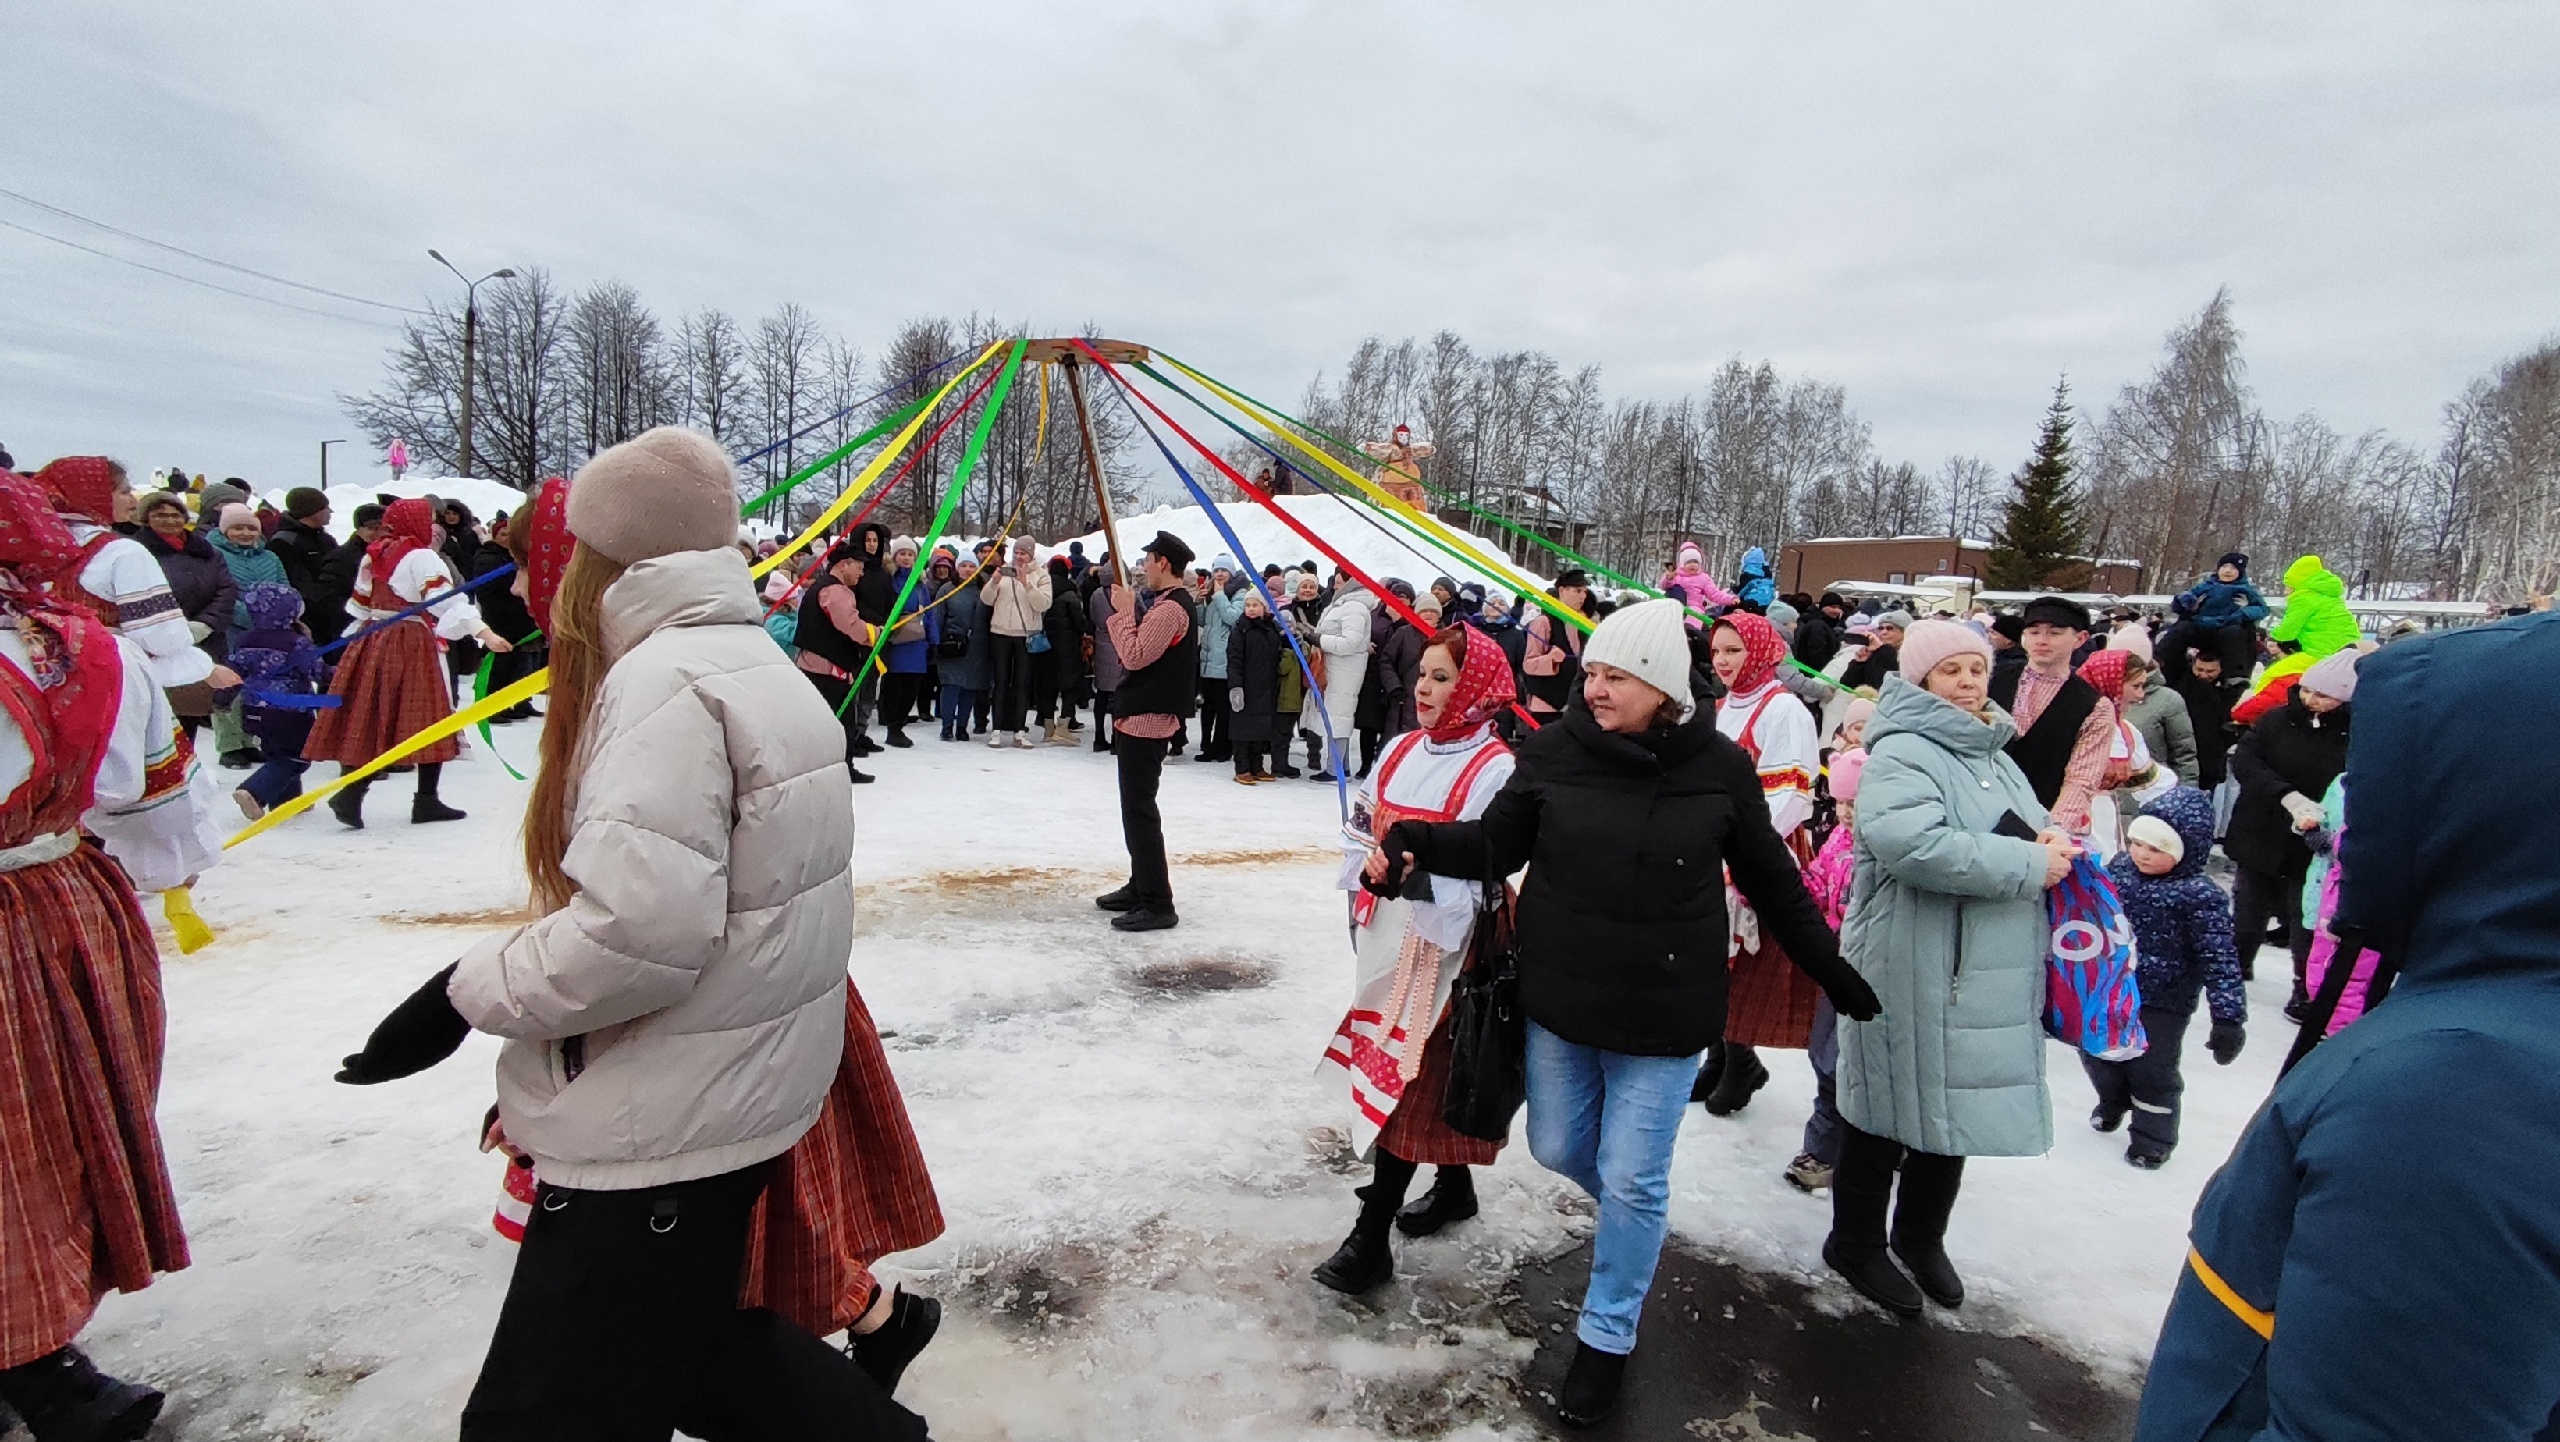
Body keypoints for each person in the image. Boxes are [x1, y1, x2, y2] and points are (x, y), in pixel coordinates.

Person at [328, 433, 935, 1441]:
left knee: (542, 1415)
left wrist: (461, 991)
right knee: (693, 1352)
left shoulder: (666, 683)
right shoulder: (745, 660)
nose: (526, 577)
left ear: (599, 563)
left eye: (546, 553)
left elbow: (638, 933)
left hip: (666, 1120)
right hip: (711, 1084)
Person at [1375, 597, 1879, 1428]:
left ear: (1660, 684)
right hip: (1561, 1000)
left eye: (1615, 675)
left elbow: (1774, 886)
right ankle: (1633, 1222)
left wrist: (1835, 973)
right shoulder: (1558, 751)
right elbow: (1495, 845)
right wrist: (1419, 841)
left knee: (1635, 1179)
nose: (1594, 686)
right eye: (1592, 671)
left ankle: (1607, 1335)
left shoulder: (1717, 767)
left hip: (1668, 1010)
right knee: (1561, 1145)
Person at [2133, 612, 2560, 1442]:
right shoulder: (2505, 1010)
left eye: (2379, 778)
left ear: (2496, 802)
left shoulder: (2463, 1084)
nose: (2348, 811)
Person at [0, 474, 216, 1441]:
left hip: (43, 902)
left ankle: (31, 1354)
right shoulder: (93, 652)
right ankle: (39, 1357)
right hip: (57, 906)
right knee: (39, 1131)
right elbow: (158, 812)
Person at [1826, 619, 2077, 1321]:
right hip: (1909, 955)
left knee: (1953, 1102)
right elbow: (1912, 844)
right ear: (1919, 680)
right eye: (1951, 672)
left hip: (1972, 962)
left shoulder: (1991, 751)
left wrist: (2049, 837)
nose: (1969, 683)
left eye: (1976, 669)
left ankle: (1919, 1235)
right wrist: (2029, 864)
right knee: (1887, 1101)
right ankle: (1854, 1241)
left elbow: (2010, 823)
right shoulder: (1905, 750)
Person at [1314, 624, 1519, 1293]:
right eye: (1423, 675)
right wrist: (1367, 870)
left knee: (1410, 1077)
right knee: (1426, 1077)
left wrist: (1404, 878)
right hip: (1387, 931)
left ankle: (1370, 1238)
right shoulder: (1401, 748)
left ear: (1478, 689)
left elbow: (1476, 877)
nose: (1424, 689)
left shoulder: (1494, 769)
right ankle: (1453, 1185)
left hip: (1447, 948)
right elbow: (1362, 823)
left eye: (1443, 678)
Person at [301, 499, 513, 826]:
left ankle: (353, 791)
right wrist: (483, 632)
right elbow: (445, 600)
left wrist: (358, 640)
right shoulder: (422, 556)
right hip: (410, 641)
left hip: (373, 636)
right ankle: (424, 800)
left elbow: (359, 605)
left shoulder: (376, 552)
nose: (431, 528)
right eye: (427, 521)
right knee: (428, 715)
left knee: (371, 713)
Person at [1694, 612, 1823, 1117]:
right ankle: (1721, 1054)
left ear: (1761, 651)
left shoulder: (1784, 709)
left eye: (1734, 651)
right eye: (1718, 651)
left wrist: (1742, 851)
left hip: (1760, 848)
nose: (1723, 662)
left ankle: (1741, 1058)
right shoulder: (1724, 706)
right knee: (1711, 959)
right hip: (1718, 846)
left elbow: (1791, 792)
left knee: (1744, 963)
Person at [2088, 788, 2246, 1171]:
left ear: (2184, 852)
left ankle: (2152, 1138)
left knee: (2151, 1068)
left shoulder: (2199, 896)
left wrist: (2228, 1017)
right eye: (2138, 843)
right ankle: (2113, 1098)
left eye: (2156, 850)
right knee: (2096, 1051)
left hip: (2164, 1000)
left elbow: (2220, 957)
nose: (2142, 854)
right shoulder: (2120, 871)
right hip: (2112, 986)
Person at [2226, 650, 2355, 1017]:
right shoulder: (2276, 719)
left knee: (2305, 916)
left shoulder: (2354, 731)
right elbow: (2246, 761)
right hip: (2262, 823)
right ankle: (2235, 967)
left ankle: (2305, 987)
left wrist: (2323, 812)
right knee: (2248, 903)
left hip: (2313, 836)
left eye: (2324, 695)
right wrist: (2285, 795)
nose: (2312, 700)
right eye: (2308, 690)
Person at [1094, 531, 1198, 933]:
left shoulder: (1170, 610)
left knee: (1140, 811)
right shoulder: (1165, 606)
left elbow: (1135, 656)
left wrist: (1122, 613)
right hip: (1142, 715)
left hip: (1147, 718)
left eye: (1148, 560)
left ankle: (1157, 901)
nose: (1144, 567)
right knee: (1135, 809)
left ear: (1164, 563)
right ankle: (1142, 885)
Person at [1784, 744, 1866, 1193]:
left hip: (1865, 969)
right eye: (1841, 803)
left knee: (1844, 1065)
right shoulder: (1838, 838)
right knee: (1825, 1058)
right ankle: (1825, 1149)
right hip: (1835, 966)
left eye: (1857, 803)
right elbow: (1818, 882)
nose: (1848, 813)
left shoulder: (1881, 852)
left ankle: (1829, 1153)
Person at [1987, 595, 2114, 835]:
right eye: (2034, 632)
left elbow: (2082, 778)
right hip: (1980, 810)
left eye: (2054, 633)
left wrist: (2055, 828)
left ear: (2080, 639)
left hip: (2040, 819)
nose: (2042, 641)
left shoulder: (2095, 706)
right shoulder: (1991, 681)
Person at [223, 582, 327, 820]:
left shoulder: (244, 639)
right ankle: (253, 791)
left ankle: (287, 801)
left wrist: (223, 698)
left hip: (253, 710)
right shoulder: (295, 642)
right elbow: (317, 671)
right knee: (295, 758)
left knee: (276, 753)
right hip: (290, 712)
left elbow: (233, 671)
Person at [206, 503, 288, 768]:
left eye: (251, 528)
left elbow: (284, 588)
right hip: (232, 630)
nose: (245, 533)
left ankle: (249, 741)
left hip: (267, 634)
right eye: (237, 528)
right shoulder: (215, 555)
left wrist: (282, 614)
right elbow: (221, 593)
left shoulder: (269, 558)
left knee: (256, 686)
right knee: (230, 686)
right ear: (225, 530)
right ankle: (229, 746)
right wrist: (251, 617)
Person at [793, 540, 881, 785]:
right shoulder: (835, 591)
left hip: (819, 665)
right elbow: (850, 625)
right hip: (826, 667)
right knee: (837, 721)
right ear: (845, 564)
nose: (862, 573)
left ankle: (840, 766)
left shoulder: (824, 587)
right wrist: (876, 633)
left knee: (834, 720)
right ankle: (840, 768)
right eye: (859, 567)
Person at [980, 536, 1050, 749]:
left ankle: (1020, 730)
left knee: (1022, 684)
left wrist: (1026, 584)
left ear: (1031, 555)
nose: (1019, 557)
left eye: (1024, 553)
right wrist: (993, 582)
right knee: (1000, 682)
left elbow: (1043, 604)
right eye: (1017, 553)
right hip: (1000, 632)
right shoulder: (1003, 571)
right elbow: (986, 599)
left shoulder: (1041, 575)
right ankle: (997, 730)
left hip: (1025, 635)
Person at [1308, 576, 1379, 782]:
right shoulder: (1345, 605)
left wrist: (1319, 639)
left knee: (1339, 718)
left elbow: (1350, 642)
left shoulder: (1354, 608)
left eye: (1339, 583)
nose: (1334, 586)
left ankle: (1336, 770)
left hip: (1344, 672)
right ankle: (1339, 767)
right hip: (1336, 669)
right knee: (1337, 716)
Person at [266, 486, 355, 646]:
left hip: (333, 613)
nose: (330, 512)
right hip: (311, 618)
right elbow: (296, 582)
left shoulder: (324, 538)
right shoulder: (284, 542)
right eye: (325, 507)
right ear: (312, 511)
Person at [875, 543, 937, 750]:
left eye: (910, 554)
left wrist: (933, 639)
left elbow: (929, 612)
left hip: (917, 641)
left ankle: (900, 721)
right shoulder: (889, 581)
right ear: (895, 556)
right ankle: (893, 726)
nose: (906, 558)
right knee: (895, 685)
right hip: (897, 640)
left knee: (912, 686)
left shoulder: (920, 585)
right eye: (902, 553)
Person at [1226, 586, 1288, 782]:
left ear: (1265, 608)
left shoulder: (1271, 629)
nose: (1251, 609)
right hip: (1246, 687)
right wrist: (1236, 687)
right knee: (1243, 730)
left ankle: (1257, 766)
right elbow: (1234, 661)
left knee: (1259, 730)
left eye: (1255, 605)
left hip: (1266, 687)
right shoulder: (1240, 630)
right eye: (1248, 605)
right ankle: (1242, 768)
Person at [2118, 649, 2199, 787]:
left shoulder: (2168, 700)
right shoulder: (2097, 700)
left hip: (2156, 791)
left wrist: (2187, 794)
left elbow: (2183, 753)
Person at [935, 550, 990, 743]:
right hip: (952, 645)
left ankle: (962, 727)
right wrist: (937, 642)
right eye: (964, 566)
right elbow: (937, 617)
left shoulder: (984, 590)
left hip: (977, 647)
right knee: (951, 685)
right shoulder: (947, 590)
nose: (967, 570)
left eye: (971, 566)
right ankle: (947, 726)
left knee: (969, 687)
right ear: (957, 568)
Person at [1520, 570, 1590, 722]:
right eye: (1578, 591)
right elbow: (1528, 664)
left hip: (1574, 703)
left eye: (1584, 592)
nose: (1583, 596)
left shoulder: (1582, 623)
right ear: (1562, 591)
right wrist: (1550, 660)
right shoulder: (1543, 622)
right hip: (1547, 704)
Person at [1196, 555, 1243, 763]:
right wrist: (1199, 602)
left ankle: (1222, 747)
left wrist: (1220, 597)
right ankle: (1208, 745)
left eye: (1224, 570)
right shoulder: (1214, 594)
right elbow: (1202, 621)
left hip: (1225, 660)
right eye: (1216, 571)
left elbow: (1234, 618)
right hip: (1208, 659)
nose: (1220, 574)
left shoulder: (1238, 593)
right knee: (1208, 706)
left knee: (1223, 708)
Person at [1659, 541, 1736, 628]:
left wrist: (1730, 599)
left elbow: (1714, 594)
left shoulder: (1703, 578)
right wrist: (1668, 578)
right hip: (1677, 606)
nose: (1692, 565)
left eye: (1695, 562)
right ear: (1682, 564)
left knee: (1696, 614)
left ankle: (1691, 632)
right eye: (1688, 562)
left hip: (1694, 607)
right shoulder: (1677, 576)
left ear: (1700, 564)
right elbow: (1663, 586)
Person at [1838, 610, 1909, 692]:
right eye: (1881, 628)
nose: (1884, 632)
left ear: (1904, 632)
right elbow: (1846, 685)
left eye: (1890, 628)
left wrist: (1883, 650)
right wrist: (1859, 663)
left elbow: (1881, 685)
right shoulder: (1874, 651)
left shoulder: (1908, 655)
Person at [1733, 546, 1777, 612]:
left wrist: (1734, 590)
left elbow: (1742, 591)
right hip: (1765, 607)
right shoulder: (1767, 573)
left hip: (1749, 605)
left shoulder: (1748, 573)